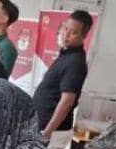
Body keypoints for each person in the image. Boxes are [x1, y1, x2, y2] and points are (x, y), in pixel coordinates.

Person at [33, 9, 92, 138]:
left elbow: (66, 102)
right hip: (41, 126)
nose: (66, 35)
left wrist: (47, 132)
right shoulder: (66, 54)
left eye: (73, 32)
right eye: (65, 29)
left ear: (84, 36)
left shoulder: (75, 62)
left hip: (50, 132)